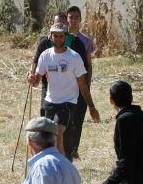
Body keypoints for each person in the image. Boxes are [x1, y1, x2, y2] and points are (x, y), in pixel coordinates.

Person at [27, 21, 100, 155]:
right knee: (49, 138)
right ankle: (59, 161)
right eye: (56, 36)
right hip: (50, 102)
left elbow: (83, 85)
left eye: (61, 36)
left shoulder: (74, 57)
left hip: (68, 103)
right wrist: (31, 78)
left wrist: (91, 107)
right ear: (51, 36)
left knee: (57, 132)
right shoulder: (45, 56)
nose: (58, 39)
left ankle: (61, 164)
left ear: (66, 37)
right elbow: (36, 81)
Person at [63, 7, 94, 160]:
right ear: (67, 19)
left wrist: (87, 84)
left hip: (80, 83)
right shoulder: (61, 37)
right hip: (65, 84)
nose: (73, 20)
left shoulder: (86, 40)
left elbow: (89, 64)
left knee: (79, 117)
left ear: (80, 19)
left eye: (76, 17)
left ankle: (74, 148)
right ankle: (63, 147)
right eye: (71, 17)